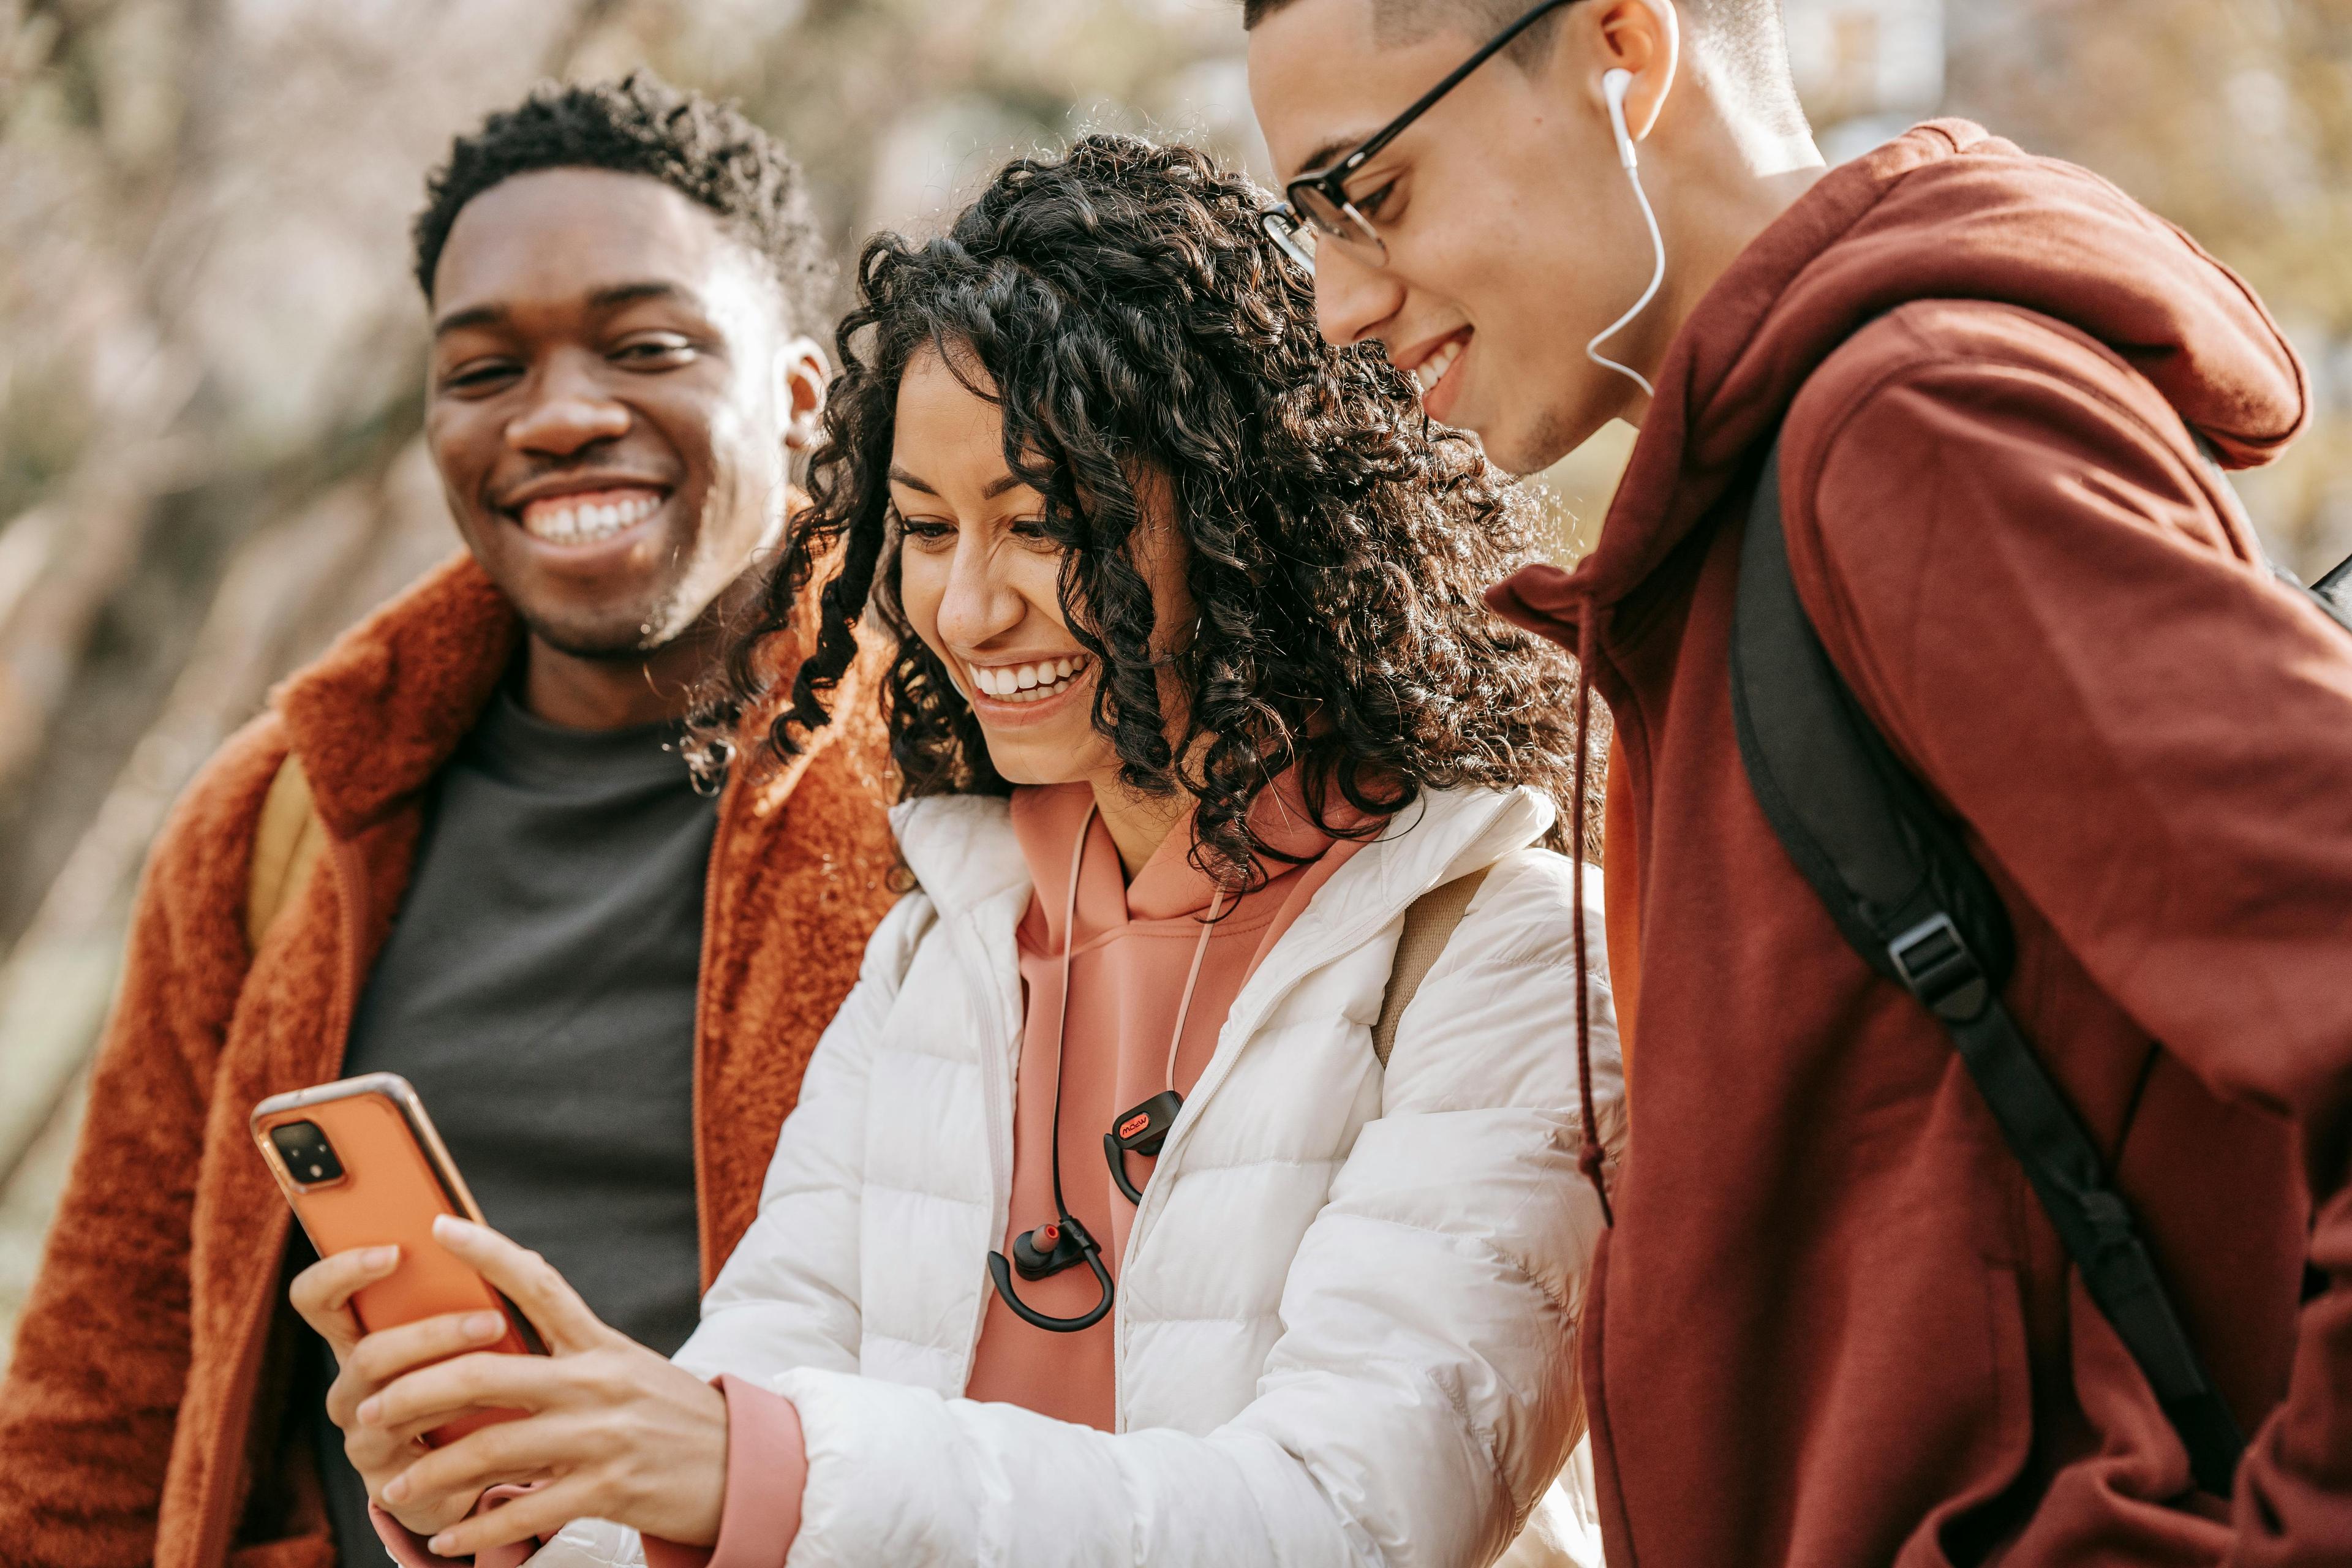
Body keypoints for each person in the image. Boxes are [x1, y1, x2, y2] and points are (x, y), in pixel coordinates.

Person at [290, 135, 1625, 1568]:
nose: (969, 606)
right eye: (924, 529)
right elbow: (749, 1423)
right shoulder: (945, 944)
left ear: (1253, 519)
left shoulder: (1508, 951)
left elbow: (1348, 1520)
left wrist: (739, 1458)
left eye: (1044, 524)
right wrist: (531, 1486)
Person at [1244, 0, 2352, 1562]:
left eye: (1371, 190)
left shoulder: (1909, 436)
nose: (1339, 304)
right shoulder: (1739, 524)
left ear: (1624, 52)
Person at [0, 74, 902, 1568]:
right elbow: (103, 1392)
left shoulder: (961, 789)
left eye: (646, 345)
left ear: (802, 395)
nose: (559, 415)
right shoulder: (280, 815)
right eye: (484, 368)